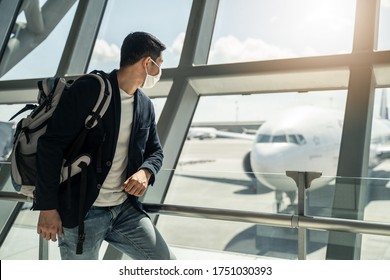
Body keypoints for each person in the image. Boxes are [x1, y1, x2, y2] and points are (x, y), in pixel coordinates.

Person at [34, 31, 175, 260]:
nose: (160, 72)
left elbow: (155, 151)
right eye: (159, 65)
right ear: (147, 63)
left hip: (125, 211)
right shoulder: (90, 89)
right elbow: (51, 146)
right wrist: (47, 207)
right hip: (82, 213)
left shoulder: (145, 106)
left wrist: (145, 171)